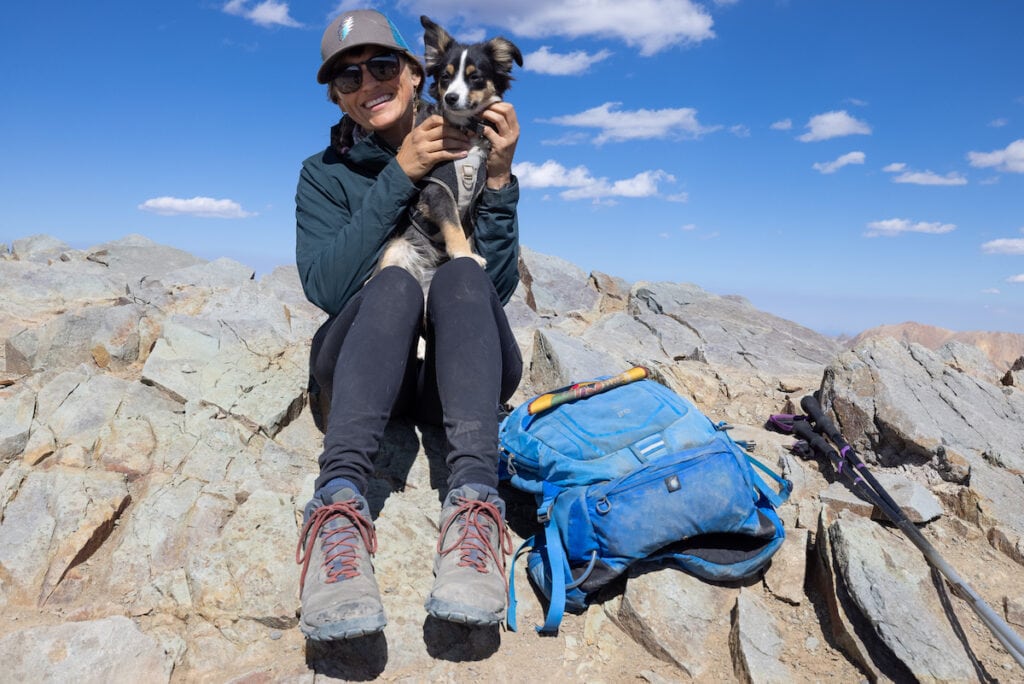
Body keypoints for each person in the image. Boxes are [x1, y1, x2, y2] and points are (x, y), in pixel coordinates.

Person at [293, 9, 523, 641]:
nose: (367, 83)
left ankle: (475, 508)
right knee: (392, 280)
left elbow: (491, 289)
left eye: (382, 65)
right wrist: (401, 175)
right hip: (365, 369)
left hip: (450, 382)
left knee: (461, 273)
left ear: (416, 71)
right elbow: (327, 286)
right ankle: (337, 508)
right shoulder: (324, 173)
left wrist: (499, 179)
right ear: (336, 94)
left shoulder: (466, 141)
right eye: (347, 77)